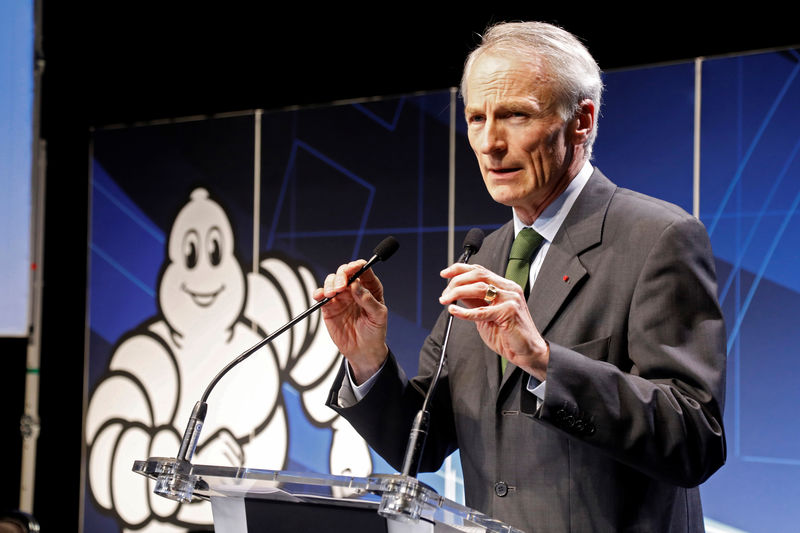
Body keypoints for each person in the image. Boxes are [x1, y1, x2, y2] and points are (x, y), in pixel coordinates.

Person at [314, 21, 726, 533]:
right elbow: (420, 441)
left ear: (581, 120)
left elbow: (695, 439)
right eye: (476, 118)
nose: (489, 143)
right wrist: (367, 356)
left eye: (514, 116)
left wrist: (545, 362)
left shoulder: (658, 238)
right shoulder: (484, 255)